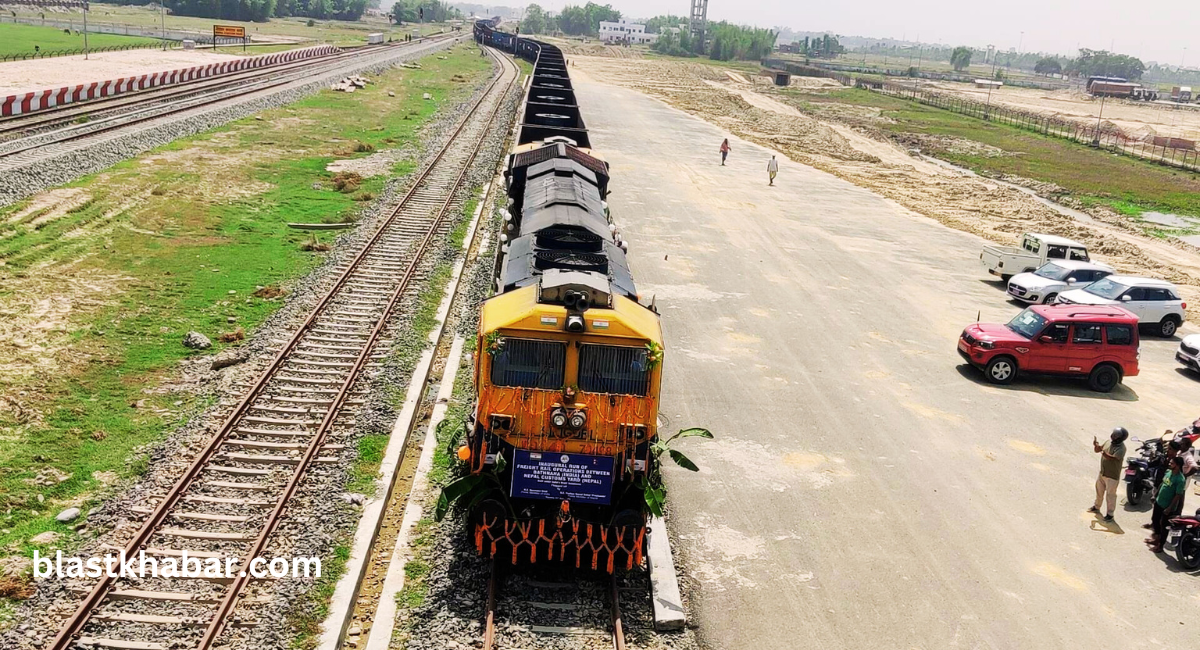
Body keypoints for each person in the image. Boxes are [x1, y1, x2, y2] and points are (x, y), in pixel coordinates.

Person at [1148, 455, 1186, 553]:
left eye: (1172, 463)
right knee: (1155, 520)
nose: (1169, 464)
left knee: (1164, 526)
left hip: (1167, 506)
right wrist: (1155, 496)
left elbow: (1178, 495)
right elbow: (1162, 484)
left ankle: (1160, 545)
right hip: (1159, 502)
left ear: (1177, 466)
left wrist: (1169, 508)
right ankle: (1156, 538)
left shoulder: (1180, 479)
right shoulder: (1169, 472)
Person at [1089, 427, 1128, 522]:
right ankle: (1097, 507)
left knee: (1110, 495)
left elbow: (1111, 458)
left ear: (1120, 438)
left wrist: (1102, 451)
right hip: (1102, 473)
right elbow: (1098, 450)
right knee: (1099, 491)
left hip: (1112, 476)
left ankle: (1110, 514)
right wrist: (1096, 445)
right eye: (1114, 434)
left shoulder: (1121, 448)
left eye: (1116, 435)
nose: (1113, 436)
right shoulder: (1108, 442)